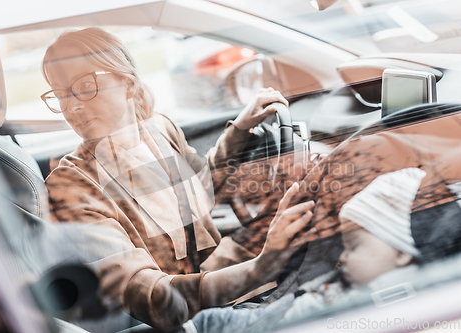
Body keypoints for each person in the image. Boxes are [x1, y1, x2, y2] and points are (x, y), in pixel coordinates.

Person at [41, 27, 315, 330]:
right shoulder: (72, 185)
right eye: (61, 94)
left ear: (128, 85)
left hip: (235, 283)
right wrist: (262, 266)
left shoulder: (159, 130)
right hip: (199, 320)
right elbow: (149, 295)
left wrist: (239, 129)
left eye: (85, 86)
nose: (73, 106)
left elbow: (198, 187)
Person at [185, 167, 425, 333]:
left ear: (403, 252)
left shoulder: (397, 305)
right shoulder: (352, 287)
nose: (342, 257)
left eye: (354, 245)